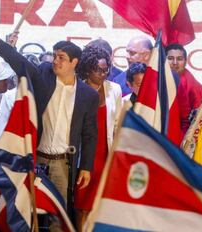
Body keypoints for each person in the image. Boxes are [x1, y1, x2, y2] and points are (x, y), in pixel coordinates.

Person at [0, 12, 99, 217]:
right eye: (55, 56)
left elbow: (90, 134)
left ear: (74, 62)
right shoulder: (44, 76)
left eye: (62, 58)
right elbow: (17, 60)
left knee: (59, 216)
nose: (56, 61)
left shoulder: (88, 95)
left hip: (63, 164)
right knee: (28, 214)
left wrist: (86, 167)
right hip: (36, 159)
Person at [74, 45, 122, 231]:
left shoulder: (115, 89)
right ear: (87, 68)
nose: (103, 74)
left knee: (101, 202)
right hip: (84, 154)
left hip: (105, 153)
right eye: (98, 70)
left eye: (106, 69)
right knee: (82, 201)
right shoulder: (77, 89)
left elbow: (117, 122)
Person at [165, 43, 202, 136]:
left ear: (186, 62)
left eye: (179, 59)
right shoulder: (159, 78)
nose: (175, 62)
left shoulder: (192, 85)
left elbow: (197, 119)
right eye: (170, 58)